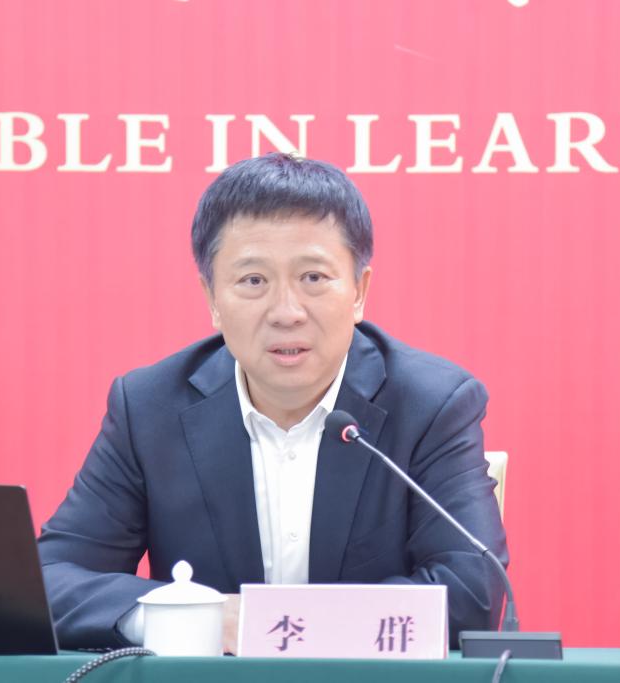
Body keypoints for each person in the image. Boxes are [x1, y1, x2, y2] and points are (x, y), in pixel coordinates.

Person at [37, 153, 508, 652]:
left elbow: (471, 596)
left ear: (359, 292)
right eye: (253, 281)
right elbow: (50, 579)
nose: (286, 312)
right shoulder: (150, 409)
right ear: (212, 299)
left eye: (314, 278)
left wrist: (270, 625)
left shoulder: (431, 405)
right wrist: (198, 618)